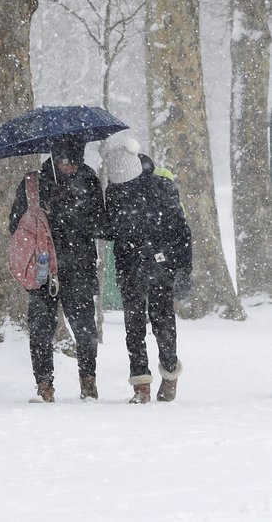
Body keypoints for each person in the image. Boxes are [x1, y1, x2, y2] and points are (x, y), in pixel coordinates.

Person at [9, 135, 108, 402]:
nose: (72, 167)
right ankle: (44, 385)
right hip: (42, 269)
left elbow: (101, 223)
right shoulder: (34, 184)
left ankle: (88, 380)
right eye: (66, 162)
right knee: (41, 328)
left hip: (79, 265)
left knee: (85, 327)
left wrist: (74, 215)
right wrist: (44, 223)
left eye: (76, 162)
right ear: (55, 158)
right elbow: (16, 227)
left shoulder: (89, 181)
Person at [100, 135, 191, 404]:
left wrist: (184, 269)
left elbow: (181, 232)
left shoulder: (161, 187)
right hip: (129, 267)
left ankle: (170, 372)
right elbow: (111, 229)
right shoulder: (114, 191)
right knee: (134, 326)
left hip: (160, 265)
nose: (123, 189)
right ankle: (141, 384)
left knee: (163, 323)